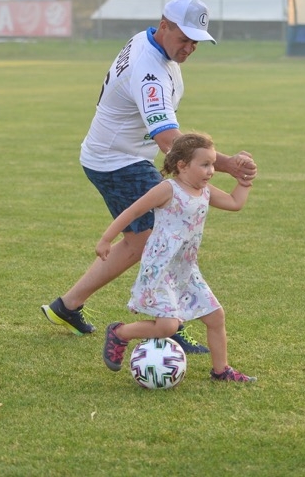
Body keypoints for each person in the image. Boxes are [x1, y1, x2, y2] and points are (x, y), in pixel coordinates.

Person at [41, 0, 257, 354]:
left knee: (147, 241)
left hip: (123, 156)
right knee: (160, 240)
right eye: (183, 38)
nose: (189, 48)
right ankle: (164, 326)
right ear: (164, 24)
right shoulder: (150, 71)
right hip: (117, 160)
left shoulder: (149, 42)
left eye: (196, 42)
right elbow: (170, 142)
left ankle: (68, 306)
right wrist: (227, 163)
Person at [97, 133, 256, 382]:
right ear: (182, 165)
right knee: (168, 327)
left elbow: (235, 202)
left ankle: (221, 371)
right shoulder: (168, 189)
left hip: (185, 269)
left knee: (216, 316)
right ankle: (121, 332)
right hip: (160, 266)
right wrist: (107, 238)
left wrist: (244, 182)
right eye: (204, 165)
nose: (211, 171)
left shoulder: (204, 191)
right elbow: (133, 211)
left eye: (212, 164)